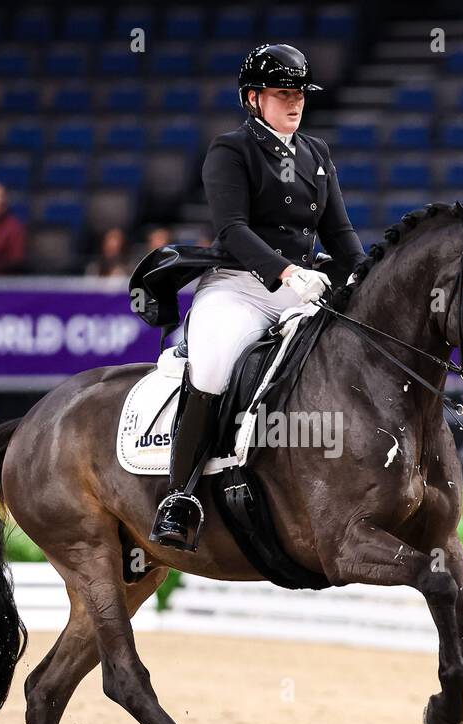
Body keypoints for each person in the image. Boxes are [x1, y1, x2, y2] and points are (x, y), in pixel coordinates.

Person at [148, 42, 367, 550]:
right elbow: (232, 229)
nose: (295, 103)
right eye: (282, 93)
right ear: (253, 99)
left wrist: (363, 274)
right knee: (213, 367)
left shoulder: (316, 153)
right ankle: (179, 497)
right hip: (240, 287)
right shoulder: (231, 150)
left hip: (304, 289)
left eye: (300, 94)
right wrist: (286, 271)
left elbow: (339, 232)